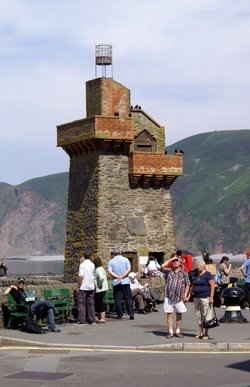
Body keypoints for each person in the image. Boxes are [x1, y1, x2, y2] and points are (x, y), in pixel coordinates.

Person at [162, 256, 190, 339]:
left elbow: (187, 284)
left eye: (176, 261)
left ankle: (178, 331)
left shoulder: (184, 273)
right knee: (169, 314)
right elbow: (162, 266)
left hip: (179, 297)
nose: (175, 262)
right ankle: (170, 332)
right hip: (169, 296)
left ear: (180, 263)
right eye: (173, 261)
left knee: (179, 314)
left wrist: (185, 295)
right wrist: (171, 259)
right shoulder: (169, 271)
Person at [188, 260, 215, 340]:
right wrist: (188, 296)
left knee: (206, 316)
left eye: (199, 265)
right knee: (198, 315)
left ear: (203, 266)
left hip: (205, 297)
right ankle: (200, 332)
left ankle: (206, 333)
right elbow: (192, 286)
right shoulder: (195, 274)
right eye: (197, 265)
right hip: (196, 297)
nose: (198, 266)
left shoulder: (208, 274)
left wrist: (211, 297)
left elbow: (212, 286)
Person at [108, 249, 134, 320]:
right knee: (128, 298)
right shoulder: (125, 259)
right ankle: (131, 314)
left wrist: (117, 277)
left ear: (114, 253)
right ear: (121, 252)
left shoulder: (111, 261)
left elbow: (110, 272)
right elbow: (129, 269)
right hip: (125, 280)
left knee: (117, 298)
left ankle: (120, 314)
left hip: (116, 282)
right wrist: (122, 276)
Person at [74, 253, 96, 326]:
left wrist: (78, 286)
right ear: (90, 256)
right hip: (91, 286)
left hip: (84, 286)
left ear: (83, 256)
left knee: (81, 303)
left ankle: (82, 320)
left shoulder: (82, 265)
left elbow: (81, 277)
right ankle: (92, 320)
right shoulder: (92, 264)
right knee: (91, 303)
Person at [93, 257, 109, 323]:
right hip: (104, 288)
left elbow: (101, 278)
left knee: (99, 303)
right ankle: (100, 317)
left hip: (100, 289)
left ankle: (102, 318)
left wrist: (99, 285)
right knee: (100, 302)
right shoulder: (102, 269)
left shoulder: (98, 270)